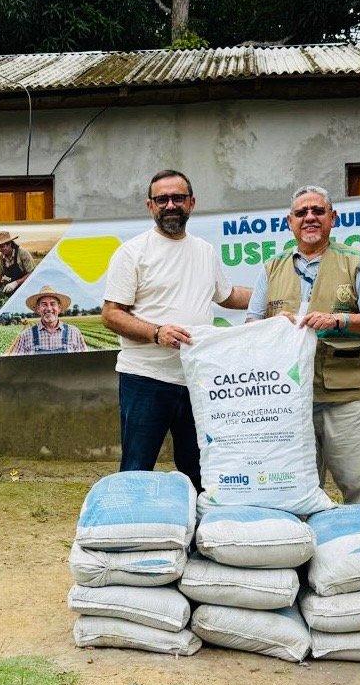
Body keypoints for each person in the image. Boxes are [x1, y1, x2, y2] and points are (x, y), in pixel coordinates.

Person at [101, 169, 252, 492]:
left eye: (178, 198)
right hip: (145, 379)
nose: (170, 205)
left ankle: (200, 538)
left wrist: (278, 298)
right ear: (150, 206)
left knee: (199, 470)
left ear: (192, 203)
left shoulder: (204, 251)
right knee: (137, 468)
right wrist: (157, 333)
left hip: (196, 380)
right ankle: (132, 534)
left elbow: (228, 296)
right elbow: (111, 314)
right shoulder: (132, 252)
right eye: (162, 199)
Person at [247, 185, 360, 504]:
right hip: (289, 398)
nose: (310, 218)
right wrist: (274, 325)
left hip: (345, 395)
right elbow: (250, 328)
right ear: (290, 223)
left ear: (333, 218)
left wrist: (339, 320)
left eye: (318, 211)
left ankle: (358, 548)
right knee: (298, 489)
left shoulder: (355, 262)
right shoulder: (271, 268)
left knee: (356, 485)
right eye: (301, 213)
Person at [7, 285, 88, 355]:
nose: (49, 308)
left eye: (53, 304)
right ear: (38, 308)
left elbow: (86, 363)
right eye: (44, 304)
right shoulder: (25, 336)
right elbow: (16, 366)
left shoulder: (74, 333)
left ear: (59, 308)